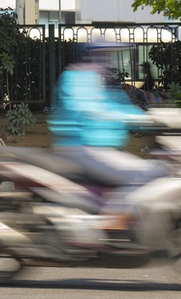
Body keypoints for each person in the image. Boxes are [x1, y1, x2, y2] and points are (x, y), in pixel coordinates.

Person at [48, 45, 165, 235]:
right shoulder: (76, 78)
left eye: (107, 57)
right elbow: (88, 108)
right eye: (102, 56)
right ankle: (111, 222)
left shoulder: (99, 83)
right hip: (83, 149)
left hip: (99, 150)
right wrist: (127, 117)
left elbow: (121, 107)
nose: (107, 62)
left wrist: (149, 119)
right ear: (89, 58)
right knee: (143, 174)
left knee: (148, 174)